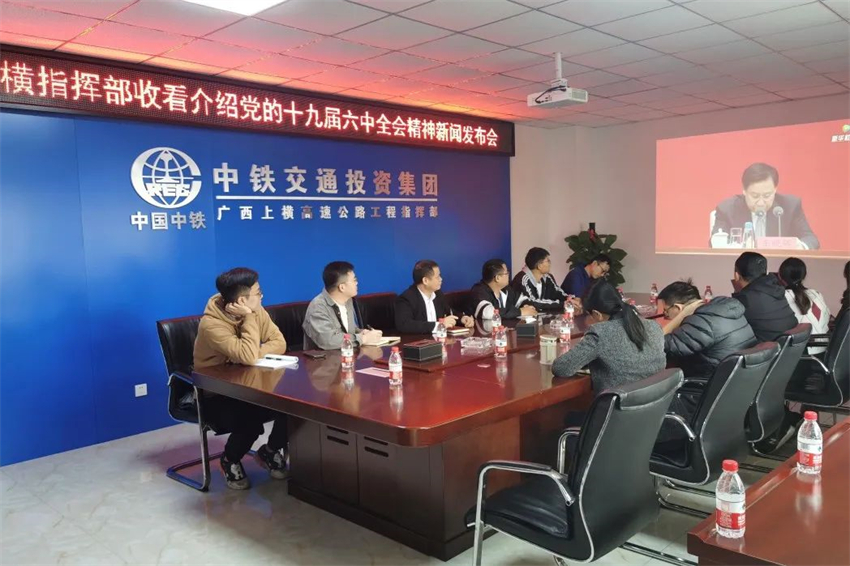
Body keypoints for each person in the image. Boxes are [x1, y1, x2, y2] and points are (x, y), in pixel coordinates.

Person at [193, 267, 289, 490]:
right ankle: (230, 459)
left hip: (250, 384)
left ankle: (270, 450)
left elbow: (279, 342)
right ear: (243, 300)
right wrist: (249, 319)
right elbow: (247, 356)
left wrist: (254, 351)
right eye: (258, 292)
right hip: (218, 393)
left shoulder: (256, 309)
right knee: (250, 422)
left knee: (293, 409)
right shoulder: (211, 324)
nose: (262, 296)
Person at [552, 281, 666, 394]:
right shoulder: (654, 326)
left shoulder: (600, 332)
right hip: (657, 402)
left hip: (619, 405)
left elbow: (561, 368)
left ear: (597, 314)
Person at [658, 280, 756, 380]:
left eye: (666, 311)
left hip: (709, 383)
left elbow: (658, 346)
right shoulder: (722, 311)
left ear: (677, 307)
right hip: (735, 379)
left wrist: (679, 318)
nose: (666, 316)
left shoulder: (701, 322)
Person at [712, 162, 819, 249]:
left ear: (775, 189)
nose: (761, 202)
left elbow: (811, 239)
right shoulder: (727, 209)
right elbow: (715, 243)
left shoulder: (790, 206)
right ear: (744, 191)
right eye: (755, 196)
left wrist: (801, 246)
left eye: (767, 195)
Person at [303, 261, 383, 350]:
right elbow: (328, 341)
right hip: (324, 357)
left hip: (347, 354)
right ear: (342, 287)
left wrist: (363, 332)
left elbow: (347, 331)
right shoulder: (318, 307)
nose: (357, 283)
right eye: (354, 280)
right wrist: (363, 338)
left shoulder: (348, 300)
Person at [732, 252, 797, 342]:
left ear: (736, 276)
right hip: (788, 347)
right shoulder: (776, 290)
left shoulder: (745, 299)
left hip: (767, 349)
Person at [394, 259, 474, 334]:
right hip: (419, 342)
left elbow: (449, 312)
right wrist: (439, 325)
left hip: (438, 340)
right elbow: (405, 324)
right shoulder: (406, 299)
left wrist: (462, 318)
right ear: (425, 281)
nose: (441, 279)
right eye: (437, 277)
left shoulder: (438, 294)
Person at [779, 258, 830, 353]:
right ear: (804, 275)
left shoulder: (781, 298)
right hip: (823, 350)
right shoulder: (816, 294)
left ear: (779, 275)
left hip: (801, 353)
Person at [470, 259, 537, 320]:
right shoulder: (479, 290)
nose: (508, 275)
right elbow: (487, 312)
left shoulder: (505, 289)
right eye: (506, 273)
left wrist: (527, 306)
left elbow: (521, 299)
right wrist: (520, 312)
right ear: (497, 278)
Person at [511, 247, 568, 312]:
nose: (550, 264)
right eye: (548, 261)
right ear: (539, 266)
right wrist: (562, 304)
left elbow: (557, 292)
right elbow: (532, 303)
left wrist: (570, 299)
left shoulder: (547, 277)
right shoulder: (522, 279)